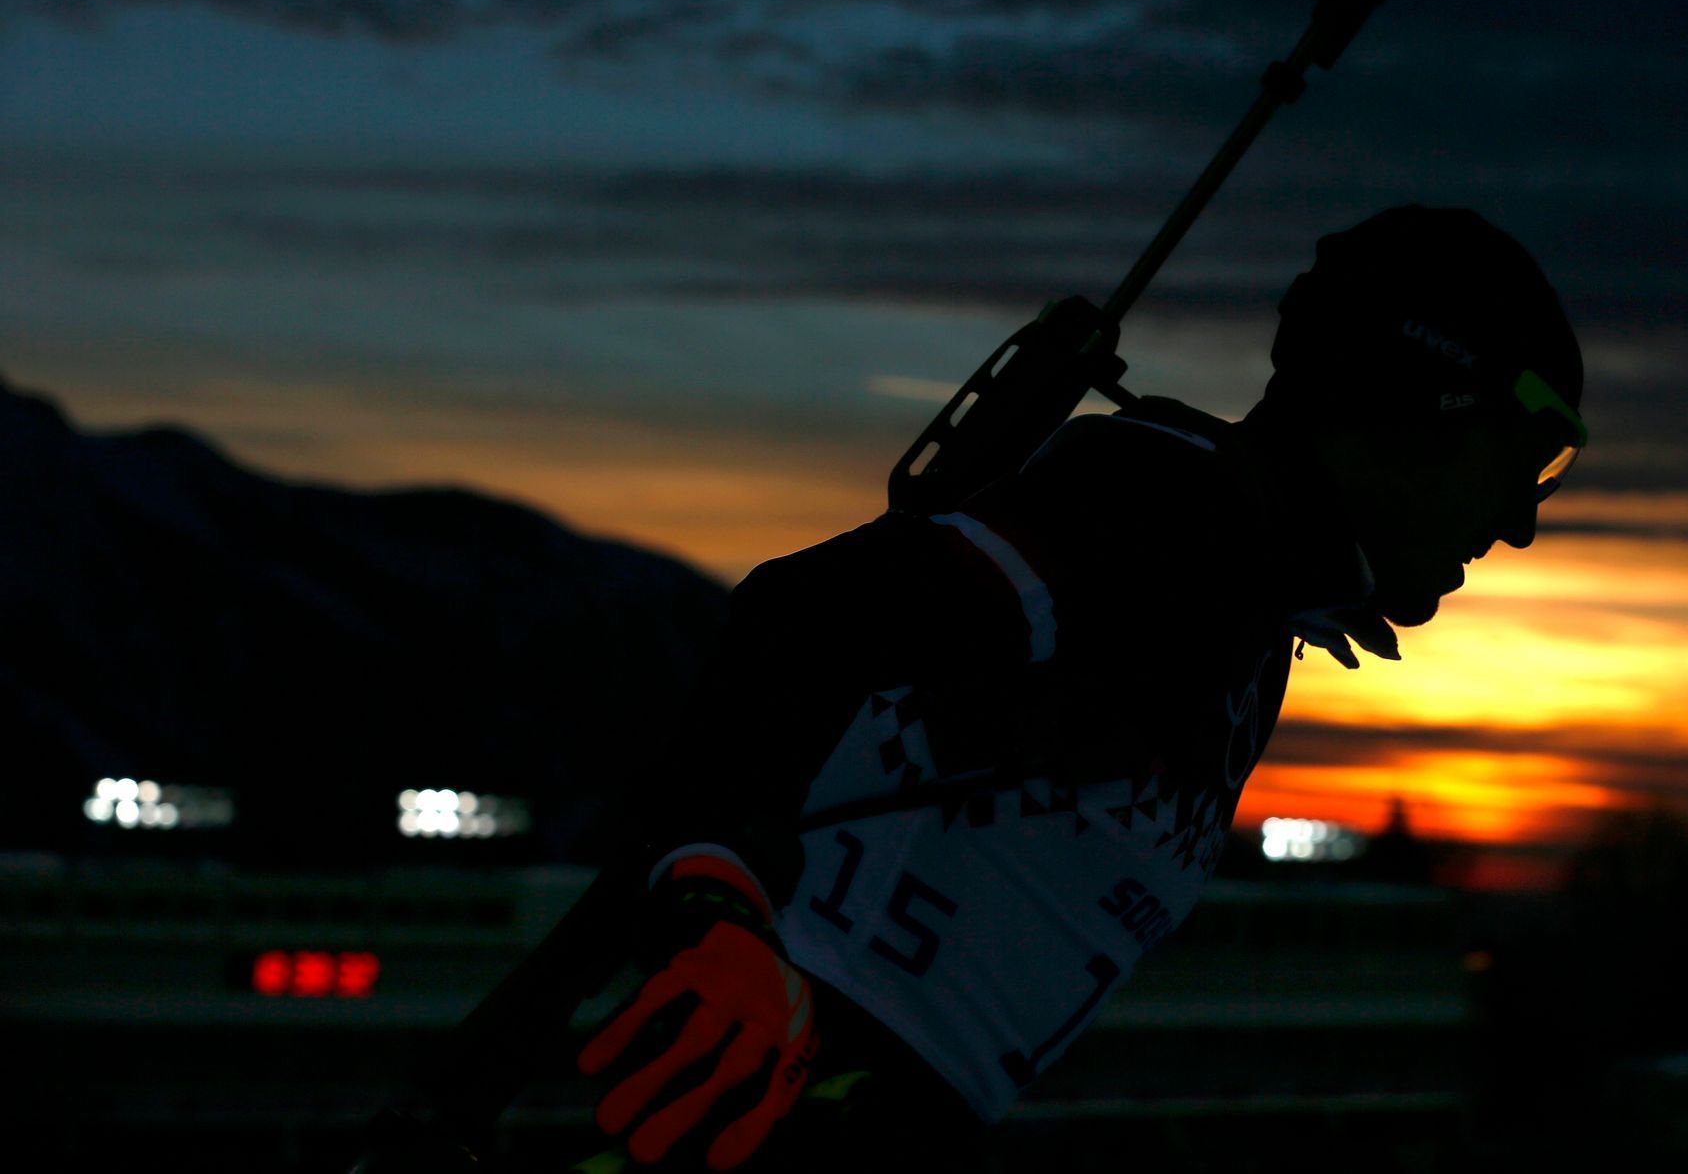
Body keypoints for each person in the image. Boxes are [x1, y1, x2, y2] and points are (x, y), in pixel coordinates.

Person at [572, 205, 1588, 1171]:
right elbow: (806, 617)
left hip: (828, 1099)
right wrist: (719, 916)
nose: (1520, 521)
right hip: (750, 1082)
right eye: (1525, 458)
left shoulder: (1255, 599)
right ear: (1417, 408)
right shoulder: (1169, 516)